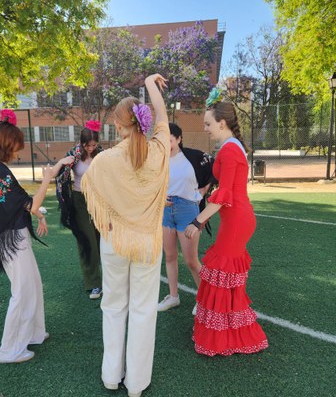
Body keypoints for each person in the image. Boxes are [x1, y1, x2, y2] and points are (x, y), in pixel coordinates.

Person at [81, 74, 170, 397]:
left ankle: (110, 376)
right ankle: (136, 384)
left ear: (118, 126)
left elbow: (88, 190)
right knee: (143, 310)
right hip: (147, 243)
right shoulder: (159, 151)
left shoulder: (104, 161)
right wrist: (149, 84)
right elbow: (163, 117)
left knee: (113, 306)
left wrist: (109, 224)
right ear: (143, 123)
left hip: (114, 240)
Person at [0, 109, 72, 364]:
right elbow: (30, 204)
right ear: (7, 144)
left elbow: (18, 205)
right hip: (10, 239)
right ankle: (9, 350)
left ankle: (32, 333)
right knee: (22, 291)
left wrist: (40, 215)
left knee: (31, 284)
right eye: (16, 147)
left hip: (9, 235)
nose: (18, 152)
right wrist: (48, 179)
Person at [184, 88, 268, 356]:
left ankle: (230, 336)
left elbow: (225, 196)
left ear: (222, 123)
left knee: (221, 271)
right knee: (224, 276)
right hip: (237, 219)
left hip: (236, 221)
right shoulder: (232, 147)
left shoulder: (230, 151)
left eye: (208, 124)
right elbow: (224, 189)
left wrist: (197, 222)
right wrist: (203, 193)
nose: (206, 129)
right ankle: (229, 330)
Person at [158, 123, 215, 314]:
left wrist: (202, 193)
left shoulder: (193, 157)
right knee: (170, 256)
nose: (167, 144)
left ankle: (204, 299)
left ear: (179, 139)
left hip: (187, 211)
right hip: (166, 212)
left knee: (191, 260)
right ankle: (173, 296)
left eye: (170, 140)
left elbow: (213, 170)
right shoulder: (159, 159)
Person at [56, 121, 103, 299]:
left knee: (101, 239)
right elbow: (60, 174)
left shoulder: (102, 155)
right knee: (86, 240)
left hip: (99, 200)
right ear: (81, 143)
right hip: (79, 199)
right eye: (87, 145)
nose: (90, 148)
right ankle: (94, 283)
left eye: (93, 144)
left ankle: (100, 275)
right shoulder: (74, 154)